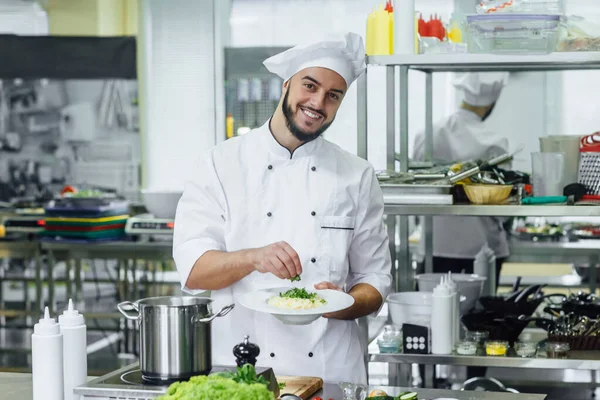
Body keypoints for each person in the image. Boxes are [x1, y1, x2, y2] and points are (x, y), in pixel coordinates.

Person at [173, 32, 392, 384]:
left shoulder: (357, 175)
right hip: (242, 368)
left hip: (330, 367)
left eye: (333, 96)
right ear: (287, 83)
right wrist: (252, 258)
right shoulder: (220, 163)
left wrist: (345, 304)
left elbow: (376, 279)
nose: (318, 102)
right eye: (310, 85)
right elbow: (194, 270)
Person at [412, 72, 511, 284]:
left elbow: (417, 191)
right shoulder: (496, 142)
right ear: (491, 102)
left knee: (431, 311)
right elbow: (501, 204)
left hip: (435, 245)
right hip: (484, 249)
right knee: (480, 314)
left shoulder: (428, 134)